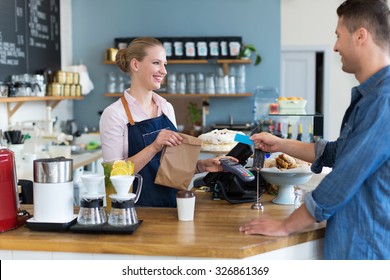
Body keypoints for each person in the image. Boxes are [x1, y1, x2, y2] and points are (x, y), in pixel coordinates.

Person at [240, 0, 390, 260]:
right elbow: (338, 153)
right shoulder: (373, 97)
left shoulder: (382, 100)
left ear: (361, 35)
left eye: (338, 36)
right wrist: (280, 143)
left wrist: (286, 226)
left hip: (366, 249)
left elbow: (344, 177)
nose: (335, 46)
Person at [100, 37, 233, 208]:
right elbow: (113, 176)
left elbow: (171, 167)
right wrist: (154, 146)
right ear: (135, 64)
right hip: (134, 212)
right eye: (156, 63)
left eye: (165, 64)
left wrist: (201, 166)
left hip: (172, 207)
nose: (164, 71)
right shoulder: (114, 114)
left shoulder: (166, 107)